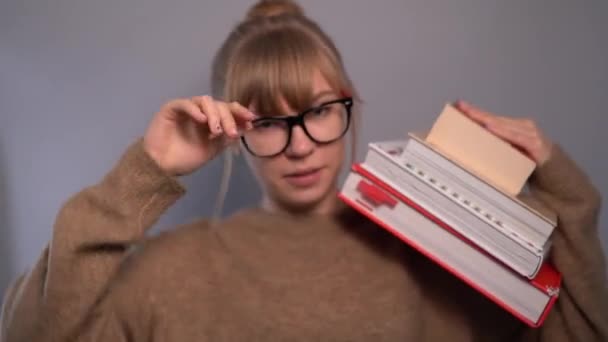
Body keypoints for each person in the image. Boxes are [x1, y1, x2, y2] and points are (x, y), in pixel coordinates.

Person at [1, 1, 607, 341]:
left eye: (318, 111)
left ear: (349, 104)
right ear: (231, 136)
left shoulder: (433, 252)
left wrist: (566, 193)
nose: (298, 146)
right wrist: (144, 172)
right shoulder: (171, 270)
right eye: (265, 121)